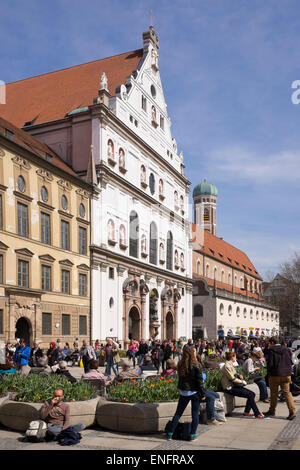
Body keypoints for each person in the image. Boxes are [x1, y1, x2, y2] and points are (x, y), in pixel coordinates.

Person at [166, 346, 206, 441]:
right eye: (195, 351)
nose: (196, 353)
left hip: (183, 391)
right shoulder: (196, 365)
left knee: (178, 413)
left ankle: (170, 434)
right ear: (192, 353)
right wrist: (203, 394)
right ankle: (192, 435)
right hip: (194, 391)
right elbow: (200, 382)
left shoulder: (180, 364)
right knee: (195, 414)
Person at [221, 351, 265, 419]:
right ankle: (257, 413)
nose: (236, 358)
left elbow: (234, 374)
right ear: (232, 357)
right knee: (250, 394)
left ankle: (247, 412)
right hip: (229, 387)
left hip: (234, 386)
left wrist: (239, 375)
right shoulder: (227, 365)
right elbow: (232, 378)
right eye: (235, 356)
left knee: (252, 394)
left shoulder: (230, 364)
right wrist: (242, 382)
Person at [264, 336, 296, 420]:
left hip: (275, 374)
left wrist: (268, 374)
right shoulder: (287, 349)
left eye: (269, 343)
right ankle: (292, 412)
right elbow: (291, 361)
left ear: (272, 343)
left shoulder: (271, 350)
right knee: (287, 393)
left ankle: (272, 410)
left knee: (274, 393)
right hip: (286, 374)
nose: (269, 345)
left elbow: (270, 364)